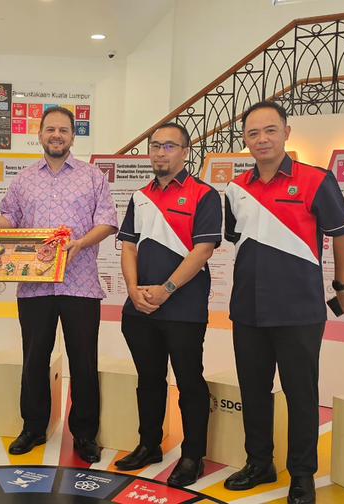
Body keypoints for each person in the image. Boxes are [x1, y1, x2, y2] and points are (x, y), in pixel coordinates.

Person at [221, 101, 344, 504]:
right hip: (247, 309)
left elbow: (342, 234)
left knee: (301, 393)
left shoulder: (316, 180)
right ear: (245, 139)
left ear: (286, 132)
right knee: (253, 391)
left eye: (270, 130)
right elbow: (238, 239)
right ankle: (259, 463)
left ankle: (302, 475)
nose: (262, 139)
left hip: (299, 311)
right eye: (253, 133)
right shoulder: (235, 188)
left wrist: (342, 284)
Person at [0, 107, 117, 463]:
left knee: (83, 361)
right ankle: (33, 428)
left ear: (73, 136)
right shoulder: (23, 180)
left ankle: (85, 434)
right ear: (40, 135)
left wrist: (80, 244)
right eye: (50, 129)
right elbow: (9, 222)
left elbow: (107, 222)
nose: (57, 135)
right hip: (34, 287)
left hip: (81, 284)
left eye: (63, 130)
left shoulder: (92, 177)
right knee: (34, 359)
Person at [113, 122, 221, 487]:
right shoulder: (140, 196)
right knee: (149, 380)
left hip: (184, 309)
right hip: (140, 308)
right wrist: (133, 290)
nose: (161, 152)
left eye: (170, 146)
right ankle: (149, 445)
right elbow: (128, 246)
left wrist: (166, 289)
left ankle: (192, 456)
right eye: (155, 146)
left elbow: (203, 250)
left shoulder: (204, 194)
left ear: (185, 151)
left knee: (189, 382)